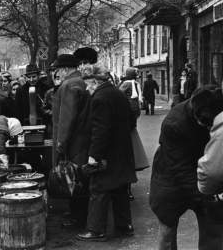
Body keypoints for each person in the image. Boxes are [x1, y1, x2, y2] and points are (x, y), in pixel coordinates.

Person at [149, 86, 223, 250]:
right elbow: (179, 168)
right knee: (167, 232)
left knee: (214, 230)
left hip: (206, 172)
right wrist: (204, 193)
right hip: (171, 179)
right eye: (204, 125)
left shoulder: (214, 102)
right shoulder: (174, 123)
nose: (209, 129)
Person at [77, 68, 137, 241]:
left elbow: (100, 130)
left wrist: (94, 155)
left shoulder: (99, 98)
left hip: (107, 153)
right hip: (122, 150)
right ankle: (125, 226)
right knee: (120, 188)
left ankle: (95, 230)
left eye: (88, 86)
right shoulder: (117, 93)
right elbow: (132, 120)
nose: (87, 90)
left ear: (95, 82)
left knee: (98, 188)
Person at [51, 54, 90, 228]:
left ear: (65, 69)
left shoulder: (68, 85)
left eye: (58, 69)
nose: (57, 73)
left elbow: (66, 119)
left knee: (73, 178)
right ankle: (78, 214)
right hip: (83, 140)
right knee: (81, 178)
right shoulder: (82, 82)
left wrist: (60, 145)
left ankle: (78, 218)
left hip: (74, 143)